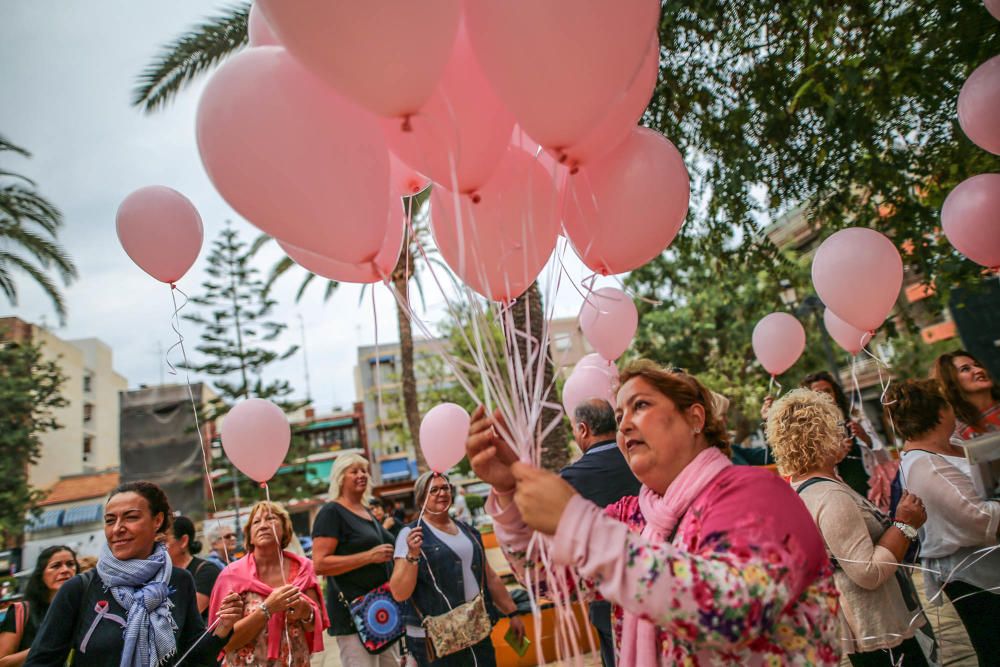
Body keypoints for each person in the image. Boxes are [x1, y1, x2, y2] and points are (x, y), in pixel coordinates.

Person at [467, 360, 840, 664]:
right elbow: (549, 579)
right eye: (618, 415)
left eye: (641, 405)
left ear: (695, 418)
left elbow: (731, 612)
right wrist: (508, 488)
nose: (624, 423)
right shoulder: (633, 516)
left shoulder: (757, 494)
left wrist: (579, 523)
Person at [767, 389, 933, 666]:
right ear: (822, 437)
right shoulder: (830, 497)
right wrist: (905, 524)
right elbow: (867, 572)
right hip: (878, 631)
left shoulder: (804, 488)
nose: (844, 434)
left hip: (869, 627)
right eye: (837, 427)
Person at [25, 481, 244, 666]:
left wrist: (222, 628)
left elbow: (192, 658)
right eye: (110, 520)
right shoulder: (79, 589)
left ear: (157, 521)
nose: (117, 528)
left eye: (130, 517)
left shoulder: (179, 581)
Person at [887, 379, 1000, 666]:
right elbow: (979, 519)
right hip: (972, 575)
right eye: (948, 404)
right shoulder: (926, 465)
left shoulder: (954, 444)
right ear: (938, 413)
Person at [389, 472, 525, 666]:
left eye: (445, 488)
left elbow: (489, 576)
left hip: (477, 630)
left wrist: (512, 612)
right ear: (421, 500)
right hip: (439, 642)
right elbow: (399, 592)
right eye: (433, 490)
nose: (441, 493)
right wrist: (412, 554)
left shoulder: (468, 530)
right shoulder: (410, 535)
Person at [559, 398, 640, 667]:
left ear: (583, 429)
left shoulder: (570, 478)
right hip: (655, 574)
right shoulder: (639, 460)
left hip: (606, 590)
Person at [210, 501, 328, 666]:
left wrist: (305, 611)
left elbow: (314, 626)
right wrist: (267, 609)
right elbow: (226, 642)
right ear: (249, 535)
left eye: (271, 519)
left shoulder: (303, 568)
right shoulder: (231, 576)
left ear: (285, 528)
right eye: (257, 522)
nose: (263, 525)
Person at [312, 453, 400, 666]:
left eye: (363, 470)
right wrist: (369, 557)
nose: (361, 475)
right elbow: (320, 564)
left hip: (382, 610)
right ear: (341, 477)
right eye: (354, 471)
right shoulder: (332, 512)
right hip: (354, 615)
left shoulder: (366, 511)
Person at [0, 546, 79, 667]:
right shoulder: (21, 611)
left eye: (70, 564)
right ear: (41, 574)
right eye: (56, 566)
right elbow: (2, 662)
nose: (65, 570)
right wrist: (44, 648)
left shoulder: (83, 609)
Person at [932, 350, 1000, 441]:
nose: (979, 370)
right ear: (952, 382)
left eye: (977, 365)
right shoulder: (956, 430)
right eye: (965, 369)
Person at [167, 516, 222, 620]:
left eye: (164, 540)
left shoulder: (207, 571)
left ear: (184, 541)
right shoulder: (161, 574)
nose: (158, 547)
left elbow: (183, 617)